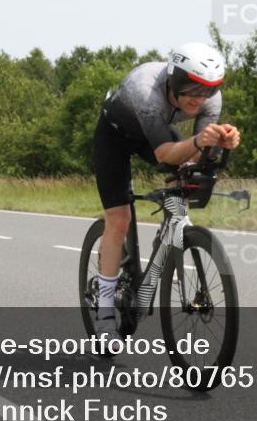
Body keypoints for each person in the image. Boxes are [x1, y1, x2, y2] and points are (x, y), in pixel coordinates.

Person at [92, 43, 241, 343]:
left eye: (208, 90)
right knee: (119, 220)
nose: (199, 99)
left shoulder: (211, 99)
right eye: (191, 88)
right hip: (116, 136)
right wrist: (200, 140)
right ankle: (105, 313)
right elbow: (164, 154)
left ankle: (169, 234)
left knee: (186, 175)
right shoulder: (146, 90)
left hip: (154, 133)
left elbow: (198, 155)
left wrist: (221, 142)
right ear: (173, 79)